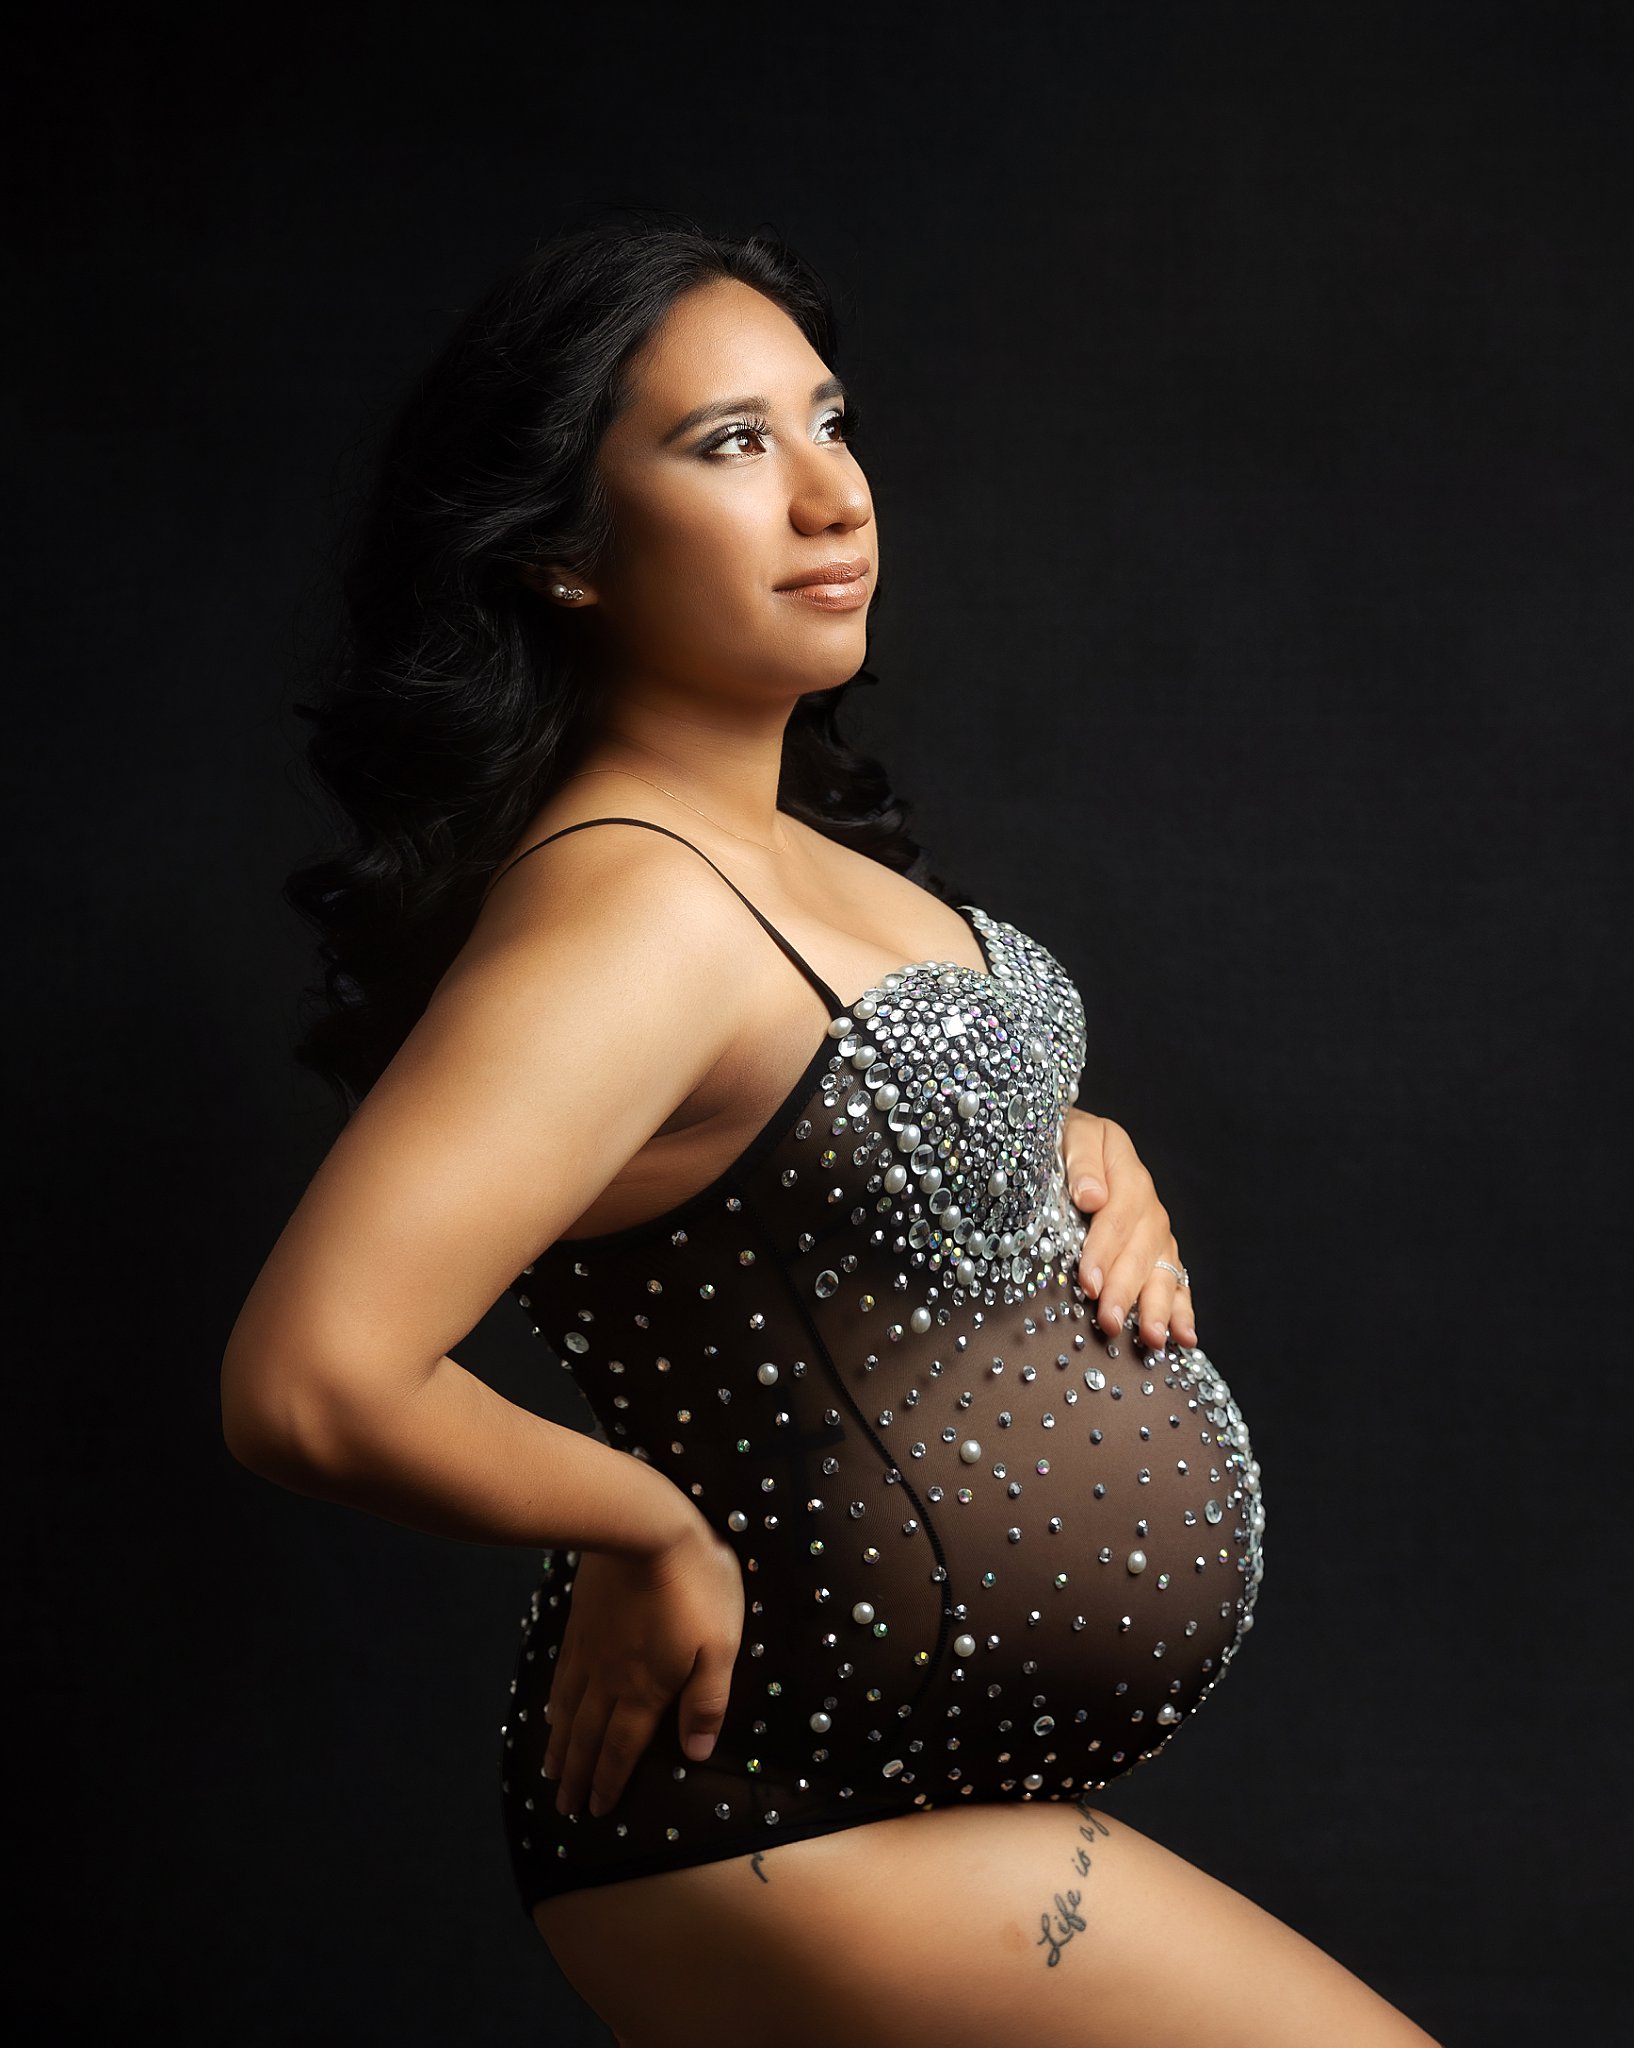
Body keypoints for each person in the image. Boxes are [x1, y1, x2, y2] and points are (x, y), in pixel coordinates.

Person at [222, 213, 1440, 2047]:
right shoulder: (628, 905)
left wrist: (1069, 1138)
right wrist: (645, 1525)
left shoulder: (787, 863)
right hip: (779, 1813)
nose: (828, 498)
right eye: (728, 446)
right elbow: (311, 1379)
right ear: (560, 551)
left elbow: (803, 1128)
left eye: (828, 422)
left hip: (924, 1805)